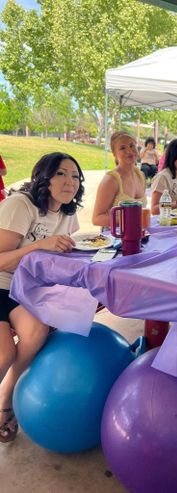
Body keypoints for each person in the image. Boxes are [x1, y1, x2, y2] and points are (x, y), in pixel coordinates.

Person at [0, 152, 84, 442]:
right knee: (3, 353)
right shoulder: (20, 205)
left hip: (25, 289)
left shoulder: (67, 214)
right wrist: (40, 246)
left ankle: (5, 397)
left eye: (75, 176)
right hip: (1, 283)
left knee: (37, 332)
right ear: (43, 177)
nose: (69, 181)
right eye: (61, 173)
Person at [92, 132, 147, 228]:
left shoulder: (141, 176)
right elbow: (96, 219)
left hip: (138, 234)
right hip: (115, 237)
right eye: (122, 148)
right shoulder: (111, 180)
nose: (129, 151)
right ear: (114, 153)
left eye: (131, 145)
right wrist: (129, 218)